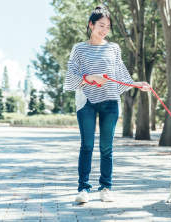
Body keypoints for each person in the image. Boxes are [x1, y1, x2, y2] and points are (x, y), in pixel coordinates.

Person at [64, 6, 151, 203]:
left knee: (106, 148)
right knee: (87, 146)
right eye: (101, 25)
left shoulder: (114, 48)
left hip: (110, 101)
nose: (104, 30)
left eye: (108, 27)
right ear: (91, 25)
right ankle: (83, 189)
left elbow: (119, 74)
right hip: (86, 101)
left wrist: (137, 84)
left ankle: (105, 188)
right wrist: (89, 77)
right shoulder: (79, 48)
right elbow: (71, 76)